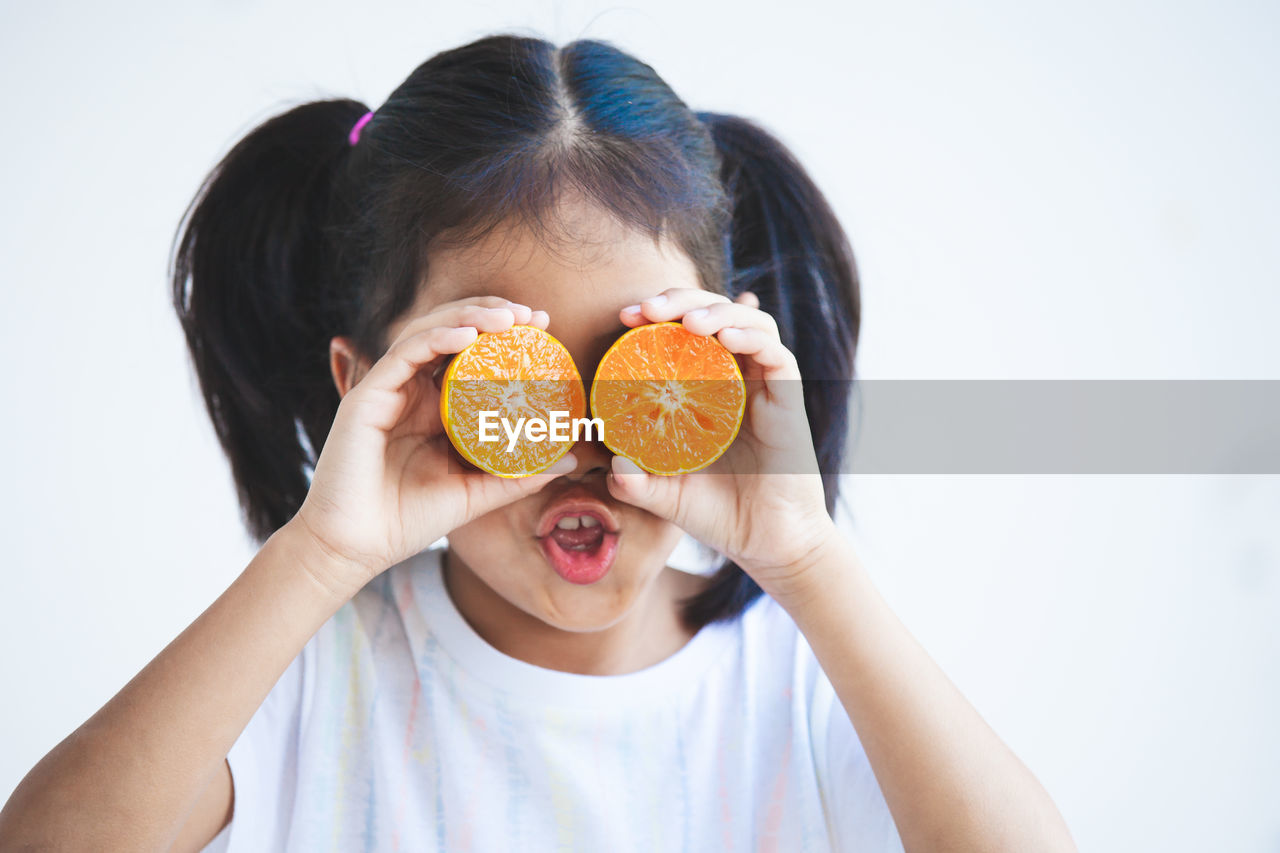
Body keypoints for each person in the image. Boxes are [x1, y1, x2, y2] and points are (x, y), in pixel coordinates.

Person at [0, 33, 1076, 852]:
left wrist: (804, 558)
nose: (582, 439)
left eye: (640, 362)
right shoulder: (302, 678)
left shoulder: (812, 687)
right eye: (502, 378)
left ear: (734, 371)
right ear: (368, 387)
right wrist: (320, 555)